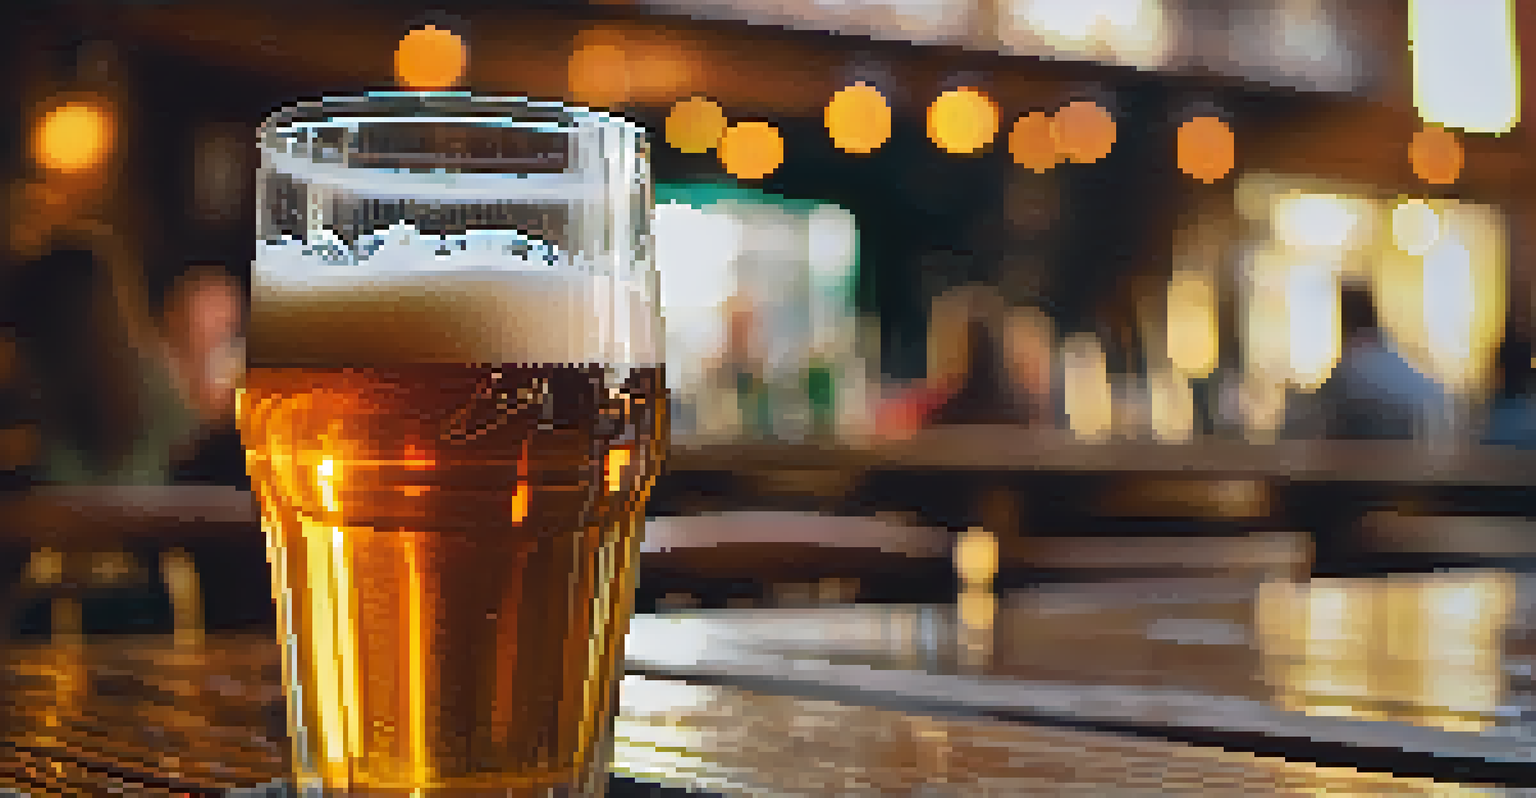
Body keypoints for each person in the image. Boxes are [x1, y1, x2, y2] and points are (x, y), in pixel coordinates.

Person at [1292, 283, 1450, 441]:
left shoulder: (1352, 369)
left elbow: (1317, 419)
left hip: (1368, 447)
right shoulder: (1395, 362)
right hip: (1405, 445)